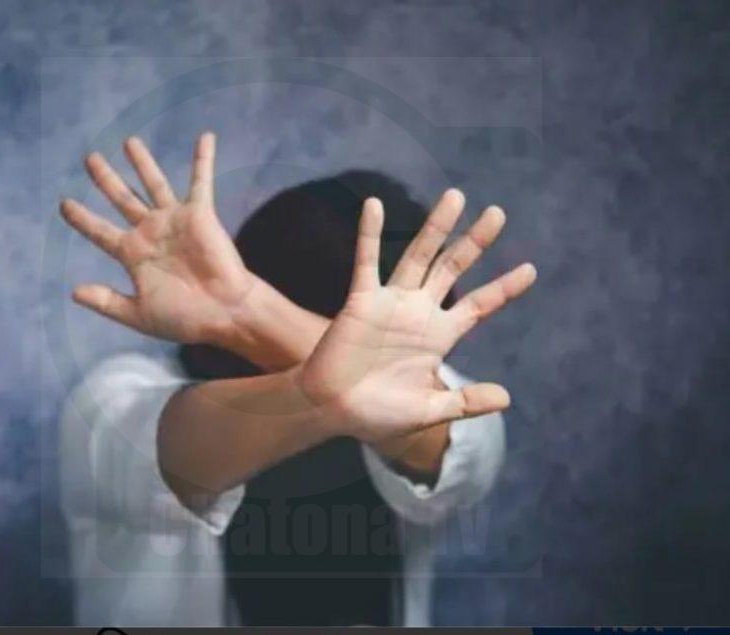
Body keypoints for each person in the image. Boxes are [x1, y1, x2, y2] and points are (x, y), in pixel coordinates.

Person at [58, 133, 536, 626]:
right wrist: (247, 314)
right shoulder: (114, 398)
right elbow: (172, 453)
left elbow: (459, 452)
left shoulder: (441, 398)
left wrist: (248, 311)